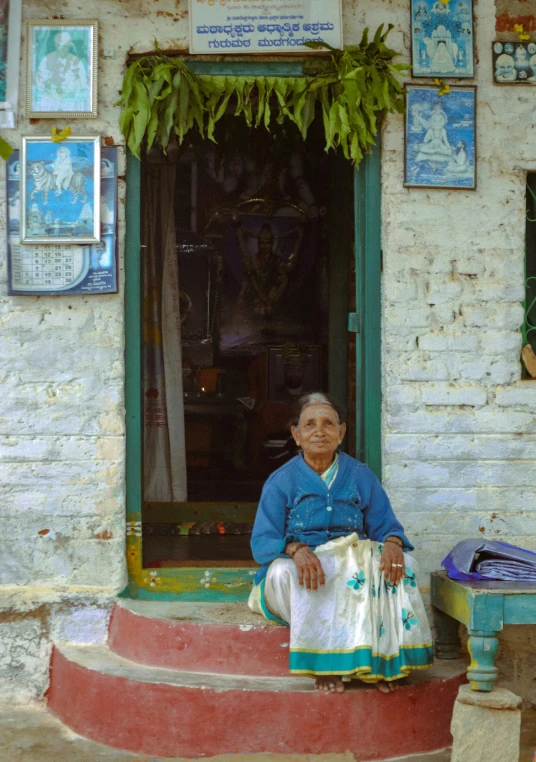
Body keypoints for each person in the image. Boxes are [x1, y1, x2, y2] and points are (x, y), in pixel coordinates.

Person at [248, 393, 433, 694]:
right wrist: (295, 549)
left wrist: (394, 543)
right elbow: (262, 542)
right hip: (306, 566)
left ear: (341, 432)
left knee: (404, 565)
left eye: (328, 424)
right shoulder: (281, 481)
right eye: (309, 424)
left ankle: (385, 661)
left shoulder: (360, 476)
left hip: (350, 564)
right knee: (286, 574)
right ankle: (325, 662)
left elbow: (388, 526)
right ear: (296, 435)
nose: (319, 431)